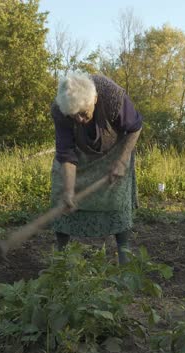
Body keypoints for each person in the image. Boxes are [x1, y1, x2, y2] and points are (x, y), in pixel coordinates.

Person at [50, 72, 142, 264]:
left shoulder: (112, 96)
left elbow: (135, 127)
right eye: (74, 116)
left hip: (115, 150)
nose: (80, 120)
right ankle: (62, 257)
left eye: (84, 113)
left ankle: (124, 257)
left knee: (117, 200)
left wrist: (122, 160)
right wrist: (69, 191)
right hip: (79, 153)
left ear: (95, 99)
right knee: (61, 195)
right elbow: (65, 153)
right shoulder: (60, 109)